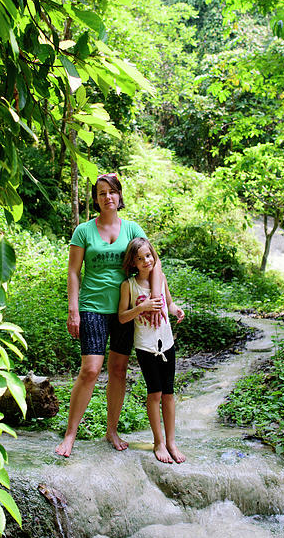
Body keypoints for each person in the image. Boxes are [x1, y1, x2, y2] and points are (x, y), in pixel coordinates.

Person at [56, 173, 165, 457]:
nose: (108, 197)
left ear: (119, 196)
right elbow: (73, 272)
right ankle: (70, 435)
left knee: (118, 370)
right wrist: (73, 309)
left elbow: (155, 264)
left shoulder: (132, 229)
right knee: (90, 370)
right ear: (95, 198)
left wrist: (155, 299)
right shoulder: (84, 231)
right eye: (102, 193)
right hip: (92, 307)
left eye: (113, 192)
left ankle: (112, 430)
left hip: (126, 311)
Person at [118, 237, 186, 463]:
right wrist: (142, 307)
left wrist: (176, 310)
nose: (145, 261)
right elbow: (122, 317)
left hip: (167, 342)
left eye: (148, 256)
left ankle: (171, 442)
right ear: (133, 263)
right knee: (154, 392)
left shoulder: (161, 278)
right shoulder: (129, 285)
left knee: (168, 393)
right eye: (139, 258)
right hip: (146, 346)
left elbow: (169, 303)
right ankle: (158, 441)